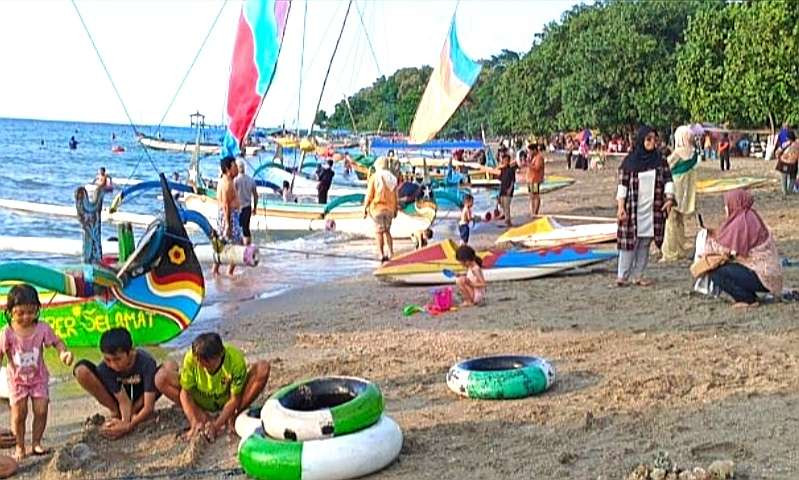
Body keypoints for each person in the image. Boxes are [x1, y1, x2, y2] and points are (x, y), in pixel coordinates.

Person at [0, 284, 73, 460]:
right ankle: (19, 446)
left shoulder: (42, 328)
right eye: (21, 313)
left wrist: (63, 353)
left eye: (31, 312)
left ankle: (36, 443)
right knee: (19, 413)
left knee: (41, 410)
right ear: (10, 312)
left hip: (38, 377)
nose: (26, 317)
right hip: (17, 381)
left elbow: (57, 342)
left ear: (38, 309)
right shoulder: (7, 333)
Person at [154, 332, 270, 442]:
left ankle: (232, 416)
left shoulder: (235, 360)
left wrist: (217, 425)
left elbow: (235, 398)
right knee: (161, 378)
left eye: (207, 364)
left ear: (220, 355)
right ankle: (202, 419)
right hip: (201, 397)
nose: (203, 368)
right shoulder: (191, 359)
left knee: (262, 368)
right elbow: (185, 393)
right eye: (200, 363)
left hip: (228, 398)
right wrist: (194, 421)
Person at [700, 189, 783, 308]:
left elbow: (726, 248)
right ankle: (749, 296)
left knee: (716, 272)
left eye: (727, 205)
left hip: (762, 276)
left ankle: (747, 299)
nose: (726, 208)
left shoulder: (743, 221)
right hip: (770, 275)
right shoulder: (750, 216)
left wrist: (707, 242)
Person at [72, 328, 158, 440]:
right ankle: (115, 412)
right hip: (119, 399)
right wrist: (124, 420)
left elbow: (149, 406)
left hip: (143, 395)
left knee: (161, 375)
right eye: (108, 360)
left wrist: (127, 426)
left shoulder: (146, 362)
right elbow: (123, 400)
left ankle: (134, 412)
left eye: (117, 359)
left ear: (130, 351)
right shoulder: (105, 368)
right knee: (81, 370)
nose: (113, 365)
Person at [616, 126, 676, 287]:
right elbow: (623, 185)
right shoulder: (630, 161)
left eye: (654, 139)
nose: (651, 143)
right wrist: (621, 207)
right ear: (641, 140)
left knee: (645, 243)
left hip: (653, 208)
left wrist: (669, 199)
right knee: (629, 243)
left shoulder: (660, 161)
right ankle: (622, 275)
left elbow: (668, 181)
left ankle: (638, 275)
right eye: (648, 139)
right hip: (633, 207)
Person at [661, 126, 699, 262]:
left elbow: (665, 167)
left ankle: (670, 252)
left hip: (674, 191)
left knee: (670, 222)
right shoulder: (694, 153)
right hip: (687, 193)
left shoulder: (677, 154)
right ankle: (681, 249)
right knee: (680, 222)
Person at [363, 157, 398, 262]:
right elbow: (396, 196)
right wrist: (395, 210)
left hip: (377, 208)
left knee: (378, 232)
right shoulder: (393, 179)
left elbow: (369, 194)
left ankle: (381, 254)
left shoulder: (375, 177)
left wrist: (365, 207)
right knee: (387, 231)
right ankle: (391, 252)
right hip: (390, 209)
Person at [212, 156, 241, 276]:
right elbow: (226, 206)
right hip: (228, 217)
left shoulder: (228, 181)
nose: (237, 169)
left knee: (223, 243)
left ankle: (217, 270)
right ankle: (228, 272)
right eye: (234, 166)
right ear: (228, 169)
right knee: (235, 244)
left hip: (229, 215)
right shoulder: (226, 184)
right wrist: (228, 225)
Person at [234, 158, 258, 246]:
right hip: (248, 207)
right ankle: (248, 247)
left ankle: (240, 246)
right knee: (246, 228)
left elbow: (233, 194)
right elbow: (255, 195)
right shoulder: (251, 180)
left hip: (238, 207)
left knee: (237, 228)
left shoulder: (235, 180)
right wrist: (255, 207)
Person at [492, 152, 518, 228]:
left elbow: (513, 181)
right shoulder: (502, 170)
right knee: (502, 204)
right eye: (504, 160)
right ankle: (505, 217)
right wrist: (498, 167)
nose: (505, 161)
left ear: (509, 161)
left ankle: (508, 220)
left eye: (507, 160)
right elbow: (497, 176)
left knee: (506, 205)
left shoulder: (511, 170)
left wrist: (510, 189)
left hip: (508, 190)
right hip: (502, 189)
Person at [775, 130, 798, 195]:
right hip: (794, 163)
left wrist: (777, 156)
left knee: (783, 177)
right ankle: (790, 190)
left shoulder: (786, 144)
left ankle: (784, 191)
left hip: (784, 162)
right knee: (793, 178)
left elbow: (778, 151)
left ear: (788, 138)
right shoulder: (798, 145)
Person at [527, 144, 545, 216]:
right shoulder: (533, 157)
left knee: (535, 195)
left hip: (535, 179)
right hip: (531, 179)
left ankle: (535, 212)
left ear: (534, 150)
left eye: (530, 151)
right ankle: (533, 211)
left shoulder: (539, 157)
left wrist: (528, 164)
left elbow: (537, 167)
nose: (529, 152)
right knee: (531, 195)